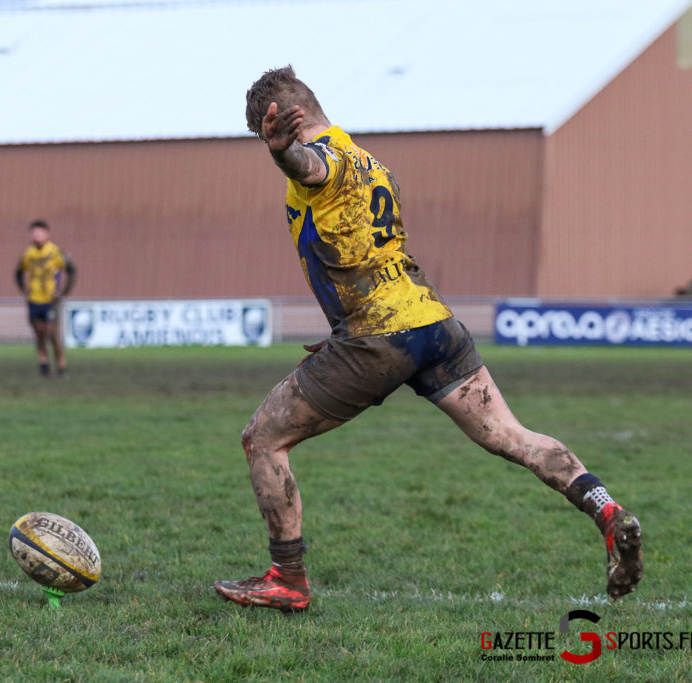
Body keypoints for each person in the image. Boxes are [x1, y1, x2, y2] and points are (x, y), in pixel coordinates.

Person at [214, 66, 643, 612]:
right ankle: (608, 512)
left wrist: (281, 153)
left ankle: (287, 579)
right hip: (432, 325)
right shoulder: (371, 163)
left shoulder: (324, 158)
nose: (266, 146)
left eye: (263, 134)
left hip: (378, 337)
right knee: (512, 436)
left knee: (262, 438)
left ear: (282, 122)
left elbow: (311, 168)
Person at [15, 219, 76, 377]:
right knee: (39, 333)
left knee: (52, 333)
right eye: (34, 232)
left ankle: (61, 366)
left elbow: (71, 270)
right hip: (34, 299)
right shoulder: (28, 253)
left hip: (50, 300)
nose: (37, 234)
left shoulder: (54, 251)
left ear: (47, 234)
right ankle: (43, 364)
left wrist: (63, 293)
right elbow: (18, 272)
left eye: (40, 231)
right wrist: (24, 289)